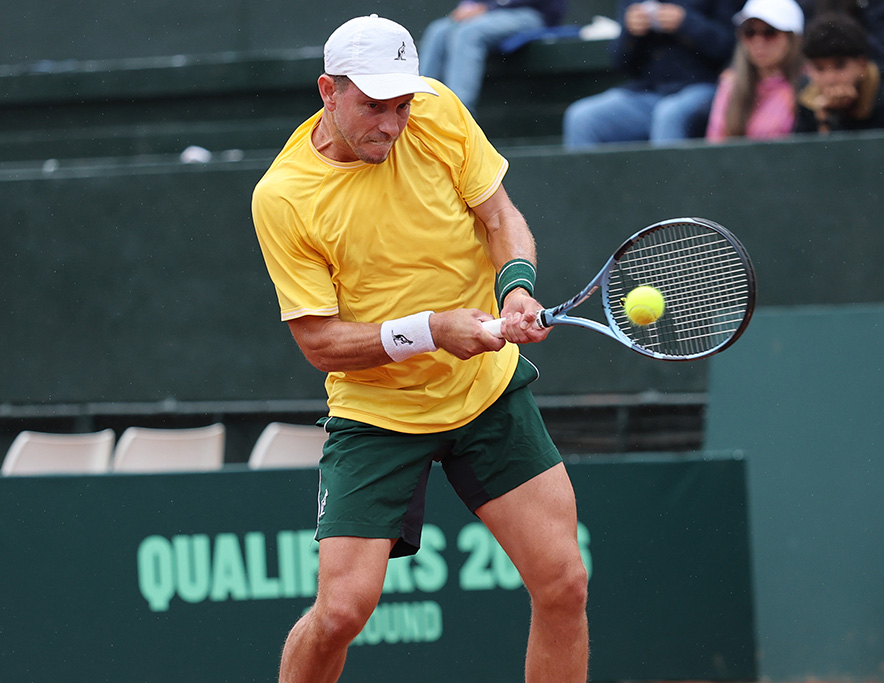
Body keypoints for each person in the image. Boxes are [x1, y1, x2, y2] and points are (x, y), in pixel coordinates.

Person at [250, 14, 589, 683]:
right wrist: (432, 330)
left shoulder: (436, 110)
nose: (393, 124)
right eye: (374, 107)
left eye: (402, 105)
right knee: (340, 613)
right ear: (328, 91)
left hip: (485, 394)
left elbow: (500, 216)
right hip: (378, 414)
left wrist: (516, 288)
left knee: (563, 582)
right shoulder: (284, 196)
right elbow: (319, 342)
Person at [563, 0, 746, 148]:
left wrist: (687, 23)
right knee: (582, 117)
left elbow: (734, 48)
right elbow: (621, 63)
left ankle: (669, 186)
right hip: (648, 92)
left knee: (669, 114)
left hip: (705, 87)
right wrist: (630, 32)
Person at [418, 0, 567, 113]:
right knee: (437, 30)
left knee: (468, 33)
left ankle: (458, 115)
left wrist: (489, 7)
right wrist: (468, 6)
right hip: (489, 13)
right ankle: (419, 104)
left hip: (530, 13)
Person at [794, 12, 884, 133]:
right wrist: (823, 117)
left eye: (840, 66)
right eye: (819, 68)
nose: (830, 79)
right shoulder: (806, 96)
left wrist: (836, 117)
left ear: (862, 65)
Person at [706, 0, 805, 142]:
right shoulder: (730, 85)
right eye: (749, 32)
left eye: (770, 32)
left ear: (792, 38)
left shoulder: (808, 84)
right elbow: (715, 143)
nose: (758, 41)